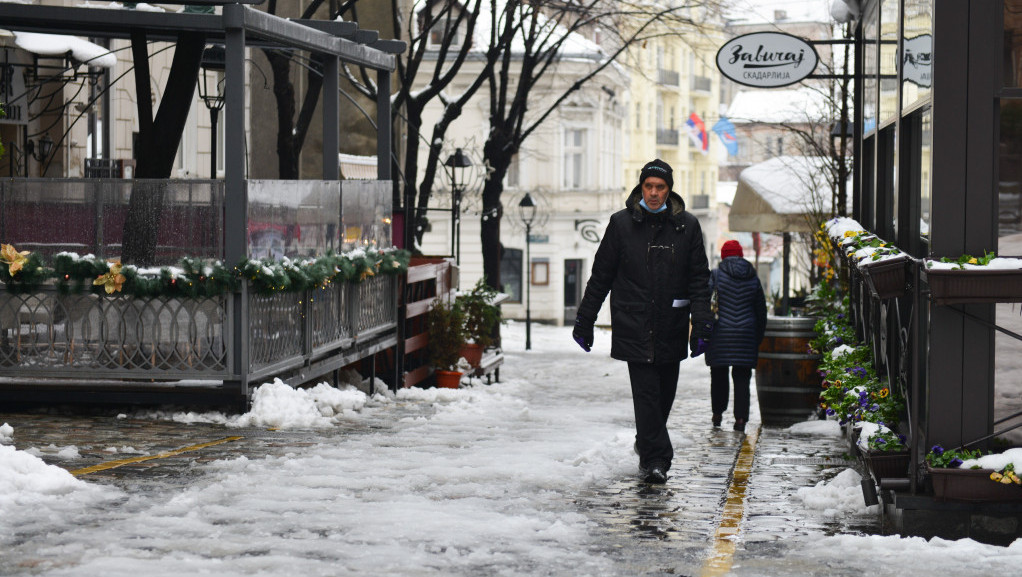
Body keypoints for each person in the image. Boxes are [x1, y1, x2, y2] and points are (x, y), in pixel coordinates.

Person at [571, 158, 713, 484]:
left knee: (663, 398)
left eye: (660, 187)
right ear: (640, 187)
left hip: (672, 324)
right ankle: (656, 460)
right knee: (646, 394)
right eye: (648, 186)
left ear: (669, 189)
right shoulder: (621, 225)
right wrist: (585, 319)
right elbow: (601, 276)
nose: (653, 193)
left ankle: (646, 443)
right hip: (633, 324)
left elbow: (699, 280)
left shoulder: (687, 226)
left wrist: (702, 323)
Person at [705, 240, 768, 433]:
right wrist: (757, 337)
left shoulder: (715, 276)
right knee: (742, 377)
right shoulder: (753, 277)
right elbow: (761, 311)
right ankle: (740, 419)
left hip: (720, 334)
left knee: (718, 375)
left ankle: (717, 414)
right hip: (746, 334)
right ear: (741, 255)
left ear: (723, 256)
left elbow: (708, 305)